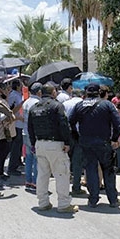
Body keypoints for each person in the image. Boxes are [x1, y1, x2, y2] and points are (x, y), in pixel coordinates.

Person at [69, 83, 120, 208]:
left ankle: (93, 199)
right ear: (99, 92)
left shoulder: (80, 105)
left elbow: (70, 122)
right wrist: (114, 138)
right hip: (104, 142)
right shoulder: (107, 104)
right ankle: (113, 200)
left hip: (86, 142)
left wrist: (76, 136)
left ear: (86, 93)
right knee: (108, 170)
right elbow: (118, 123)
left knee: (91, 169)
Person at [28, 83, 78, 213]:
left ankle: (43, 203)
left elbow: (30, 128)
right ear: (53, 92)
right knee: (62, 173)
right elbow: (64, 125)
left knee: (42, 174)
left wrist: (34, 144)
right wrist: (67, 143)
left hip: (40, 144)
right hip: (55, 144)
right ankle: (63, 204)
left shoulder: (34, 108)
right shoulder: (57, 106)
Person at [63, 88, 87, 196]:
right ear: (82, 96)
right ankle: (76, 187)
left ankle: (63, 186)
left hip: (66, 135)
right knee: (77, 162)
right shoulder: (83, 104)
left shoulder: (64, 104)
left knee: (65, 161)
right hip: (79, 136)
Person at [22, 82, 42, 190]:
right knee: (36, 159)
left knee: (28, 158)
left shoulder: (26, 102)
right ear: (39, 92)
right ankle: (35, 182)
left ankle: (28, 180)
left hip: (25, 133)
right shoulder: (38, 103)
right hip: (34, 135)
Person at [7, 80, 24, 175]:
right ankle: (12, 167)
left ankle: (18, 162)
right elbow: (10, 110)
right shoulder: (13, 95)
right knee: (15, 147)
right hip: (15, 123)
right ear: (17, 86)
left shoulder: (18, 94)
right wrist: (21, 104)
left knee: (19, 145)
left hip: (20, 123)